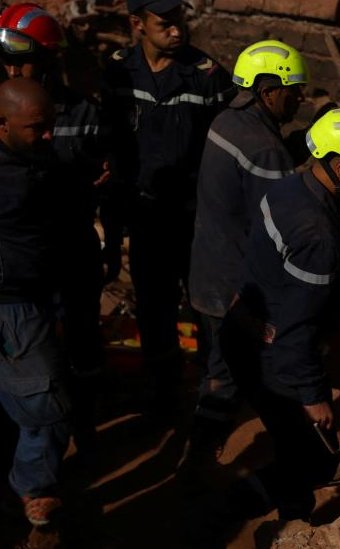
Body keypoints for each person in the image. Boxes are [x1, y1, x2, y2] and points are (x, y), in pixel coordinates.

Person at [218, 108, 340, 522]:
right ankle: (239, 515)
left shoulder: (289, 188)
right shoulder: (319, 233)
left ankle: (286, 516)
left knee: (298, 450)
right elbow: (298, 325)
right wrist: (312, 395)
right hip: (273, 351)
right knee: (313, 456)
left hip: (246, 327)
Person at [101, 0, 233, 419]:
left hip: (195, 218)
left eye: (181, 22)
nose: (177, 31)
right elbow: (112, 144)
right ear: (137, 24)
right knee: (155, 308)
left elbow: (226, 145)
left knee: (206, 307)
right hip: (145, 216)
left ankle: (213, 397)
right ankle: (162, 394)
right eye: (166, 24)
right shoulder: (119, 72)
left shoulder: (206, 75)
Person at [185, 39, 307, 463]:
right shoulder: (264, 148)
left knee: (223, 371)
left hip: (208, 271)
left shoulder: (226, 122)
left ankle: (201, 457)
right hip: (237, 287)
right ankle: (201, 463)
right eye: (294, 90)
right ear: (268, 90)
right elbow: (282, 221)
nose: (300, 98)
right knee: (242, 375)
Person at [0, 2, 108, 456]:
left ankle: (81, 432)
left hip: (72, 249)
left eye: (26, 59)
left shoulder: (81, 112)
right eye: (10, 59)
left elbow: (103, 173)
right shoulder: (3, 108)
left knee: (80, 349)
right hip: (19, 262)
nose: (15, 68)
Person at [0, 77, 70, 528]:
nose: (47, 135)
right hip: (16, 309)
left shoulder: (33, 161)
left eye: (50, 126)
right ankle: (35, 494)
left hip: (29, 301)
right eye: (35, 128)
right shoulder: (12, 181)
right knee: (47, 410)